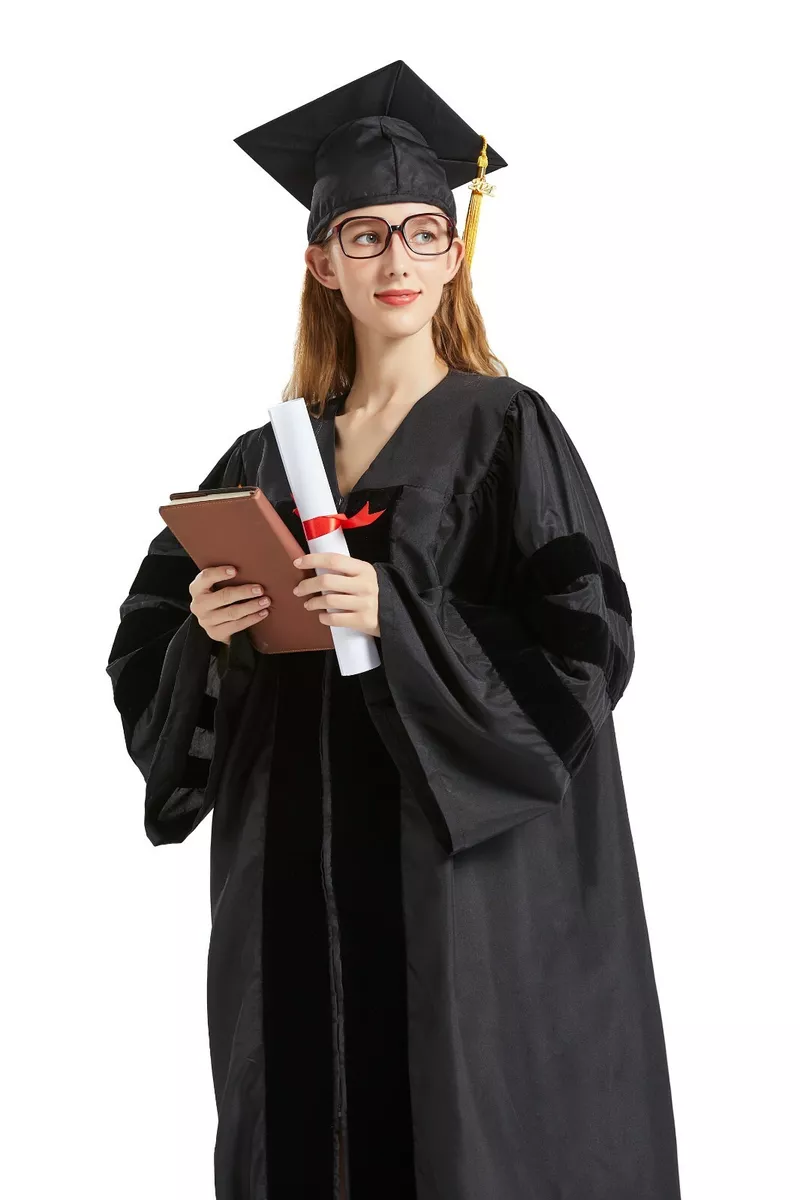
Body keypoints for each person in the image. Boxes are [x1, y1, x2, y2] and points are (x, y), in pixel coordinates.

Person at [106, 59, 682, 1200]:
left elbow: (588, 639)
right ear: (319, 262)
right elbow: (146, 640)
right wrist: (208, 633)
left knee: (455, 1133)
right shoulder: (264, 455)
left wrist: (403, 619)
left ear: (454, 252)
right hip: (290, 873)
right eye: (362, 236)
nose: (395, 259)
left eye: (421, 231)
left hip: (449, 879)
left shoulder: (505, 427)